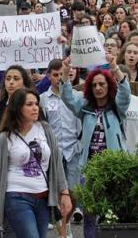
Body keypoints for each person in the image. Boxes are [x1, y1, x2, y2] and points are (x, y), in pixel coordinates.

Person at [0, 88, 72, 238]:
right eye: (29, 104)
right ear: (17, 108)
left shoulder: (46, 129)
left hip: (43, 198)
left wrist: (64, 193)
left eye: (36, 104)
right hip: (16, 196)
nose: (35, 107)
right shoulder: (5, 137)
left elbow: (57, 164)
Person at [59, 53, 130, 238]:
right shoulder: (85, 109)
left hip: (114, 168)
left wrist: (114, 67)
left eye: (102, 84)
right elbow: (67, 97)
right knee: (90, 213)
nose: (98, 88)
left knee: (112, 212)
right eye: (94, 85)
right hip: (89, 168)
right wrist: (65, 73)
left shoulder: (117, 108)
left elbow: (125, 93)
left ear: (109, 85)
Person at [39, 59, 83, 236]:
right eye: (55, 75)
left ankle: (65, 222)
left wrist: (80, 141)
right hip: (53, 151)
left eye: (61, 74)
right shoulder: (42, 99)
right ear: (48, 75)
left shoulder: (77, 97)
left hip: (73, 149)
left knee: (73, 191)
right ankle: (63, 230)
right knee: (58, 192)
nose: (58, 78)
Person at [0, 65, 36, 198]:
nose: (11, 82)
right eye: (8, 78)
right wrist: (5, 139)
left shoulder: (34, 107)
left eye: (16, 78)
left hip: (27, 166)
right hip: (0, 164)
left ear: (24, 82)